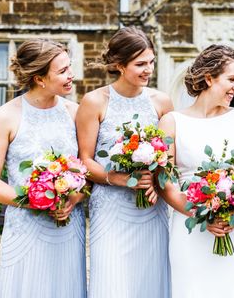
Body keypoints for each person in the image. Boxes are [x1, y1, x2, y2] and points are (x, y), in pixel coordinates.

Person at [0, 39, 86, 298]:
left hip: (69, 225)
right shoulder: (6, 116)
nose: (71, 75)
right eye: (62, 71)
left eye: (69, 67)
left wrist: (74, 197)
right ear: (39, 78)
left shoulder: (75, 112)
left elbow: (86, 168)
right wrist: (37, 201)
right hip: (26, 225)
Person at [158, 44, 234, 298]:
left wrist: (231, 210)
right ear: (208, 78)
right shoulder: (171, 121)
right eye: (232, 79)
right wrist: (203, 213)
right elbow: (166, 182)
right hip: (190, 225)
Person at [77, 26, 173, 298]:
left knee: (149, 279)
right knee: (112, 279)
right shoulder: (94, 102)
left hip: (150, 208)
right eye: (140, 64)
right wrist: (118, 179)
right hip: (111, 207)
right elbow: (85, 158)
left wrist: (156, 181)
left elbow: (169, 155)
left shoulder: (162, 102)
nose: (149, 69)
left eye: (151, 62)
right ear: (119, 65)